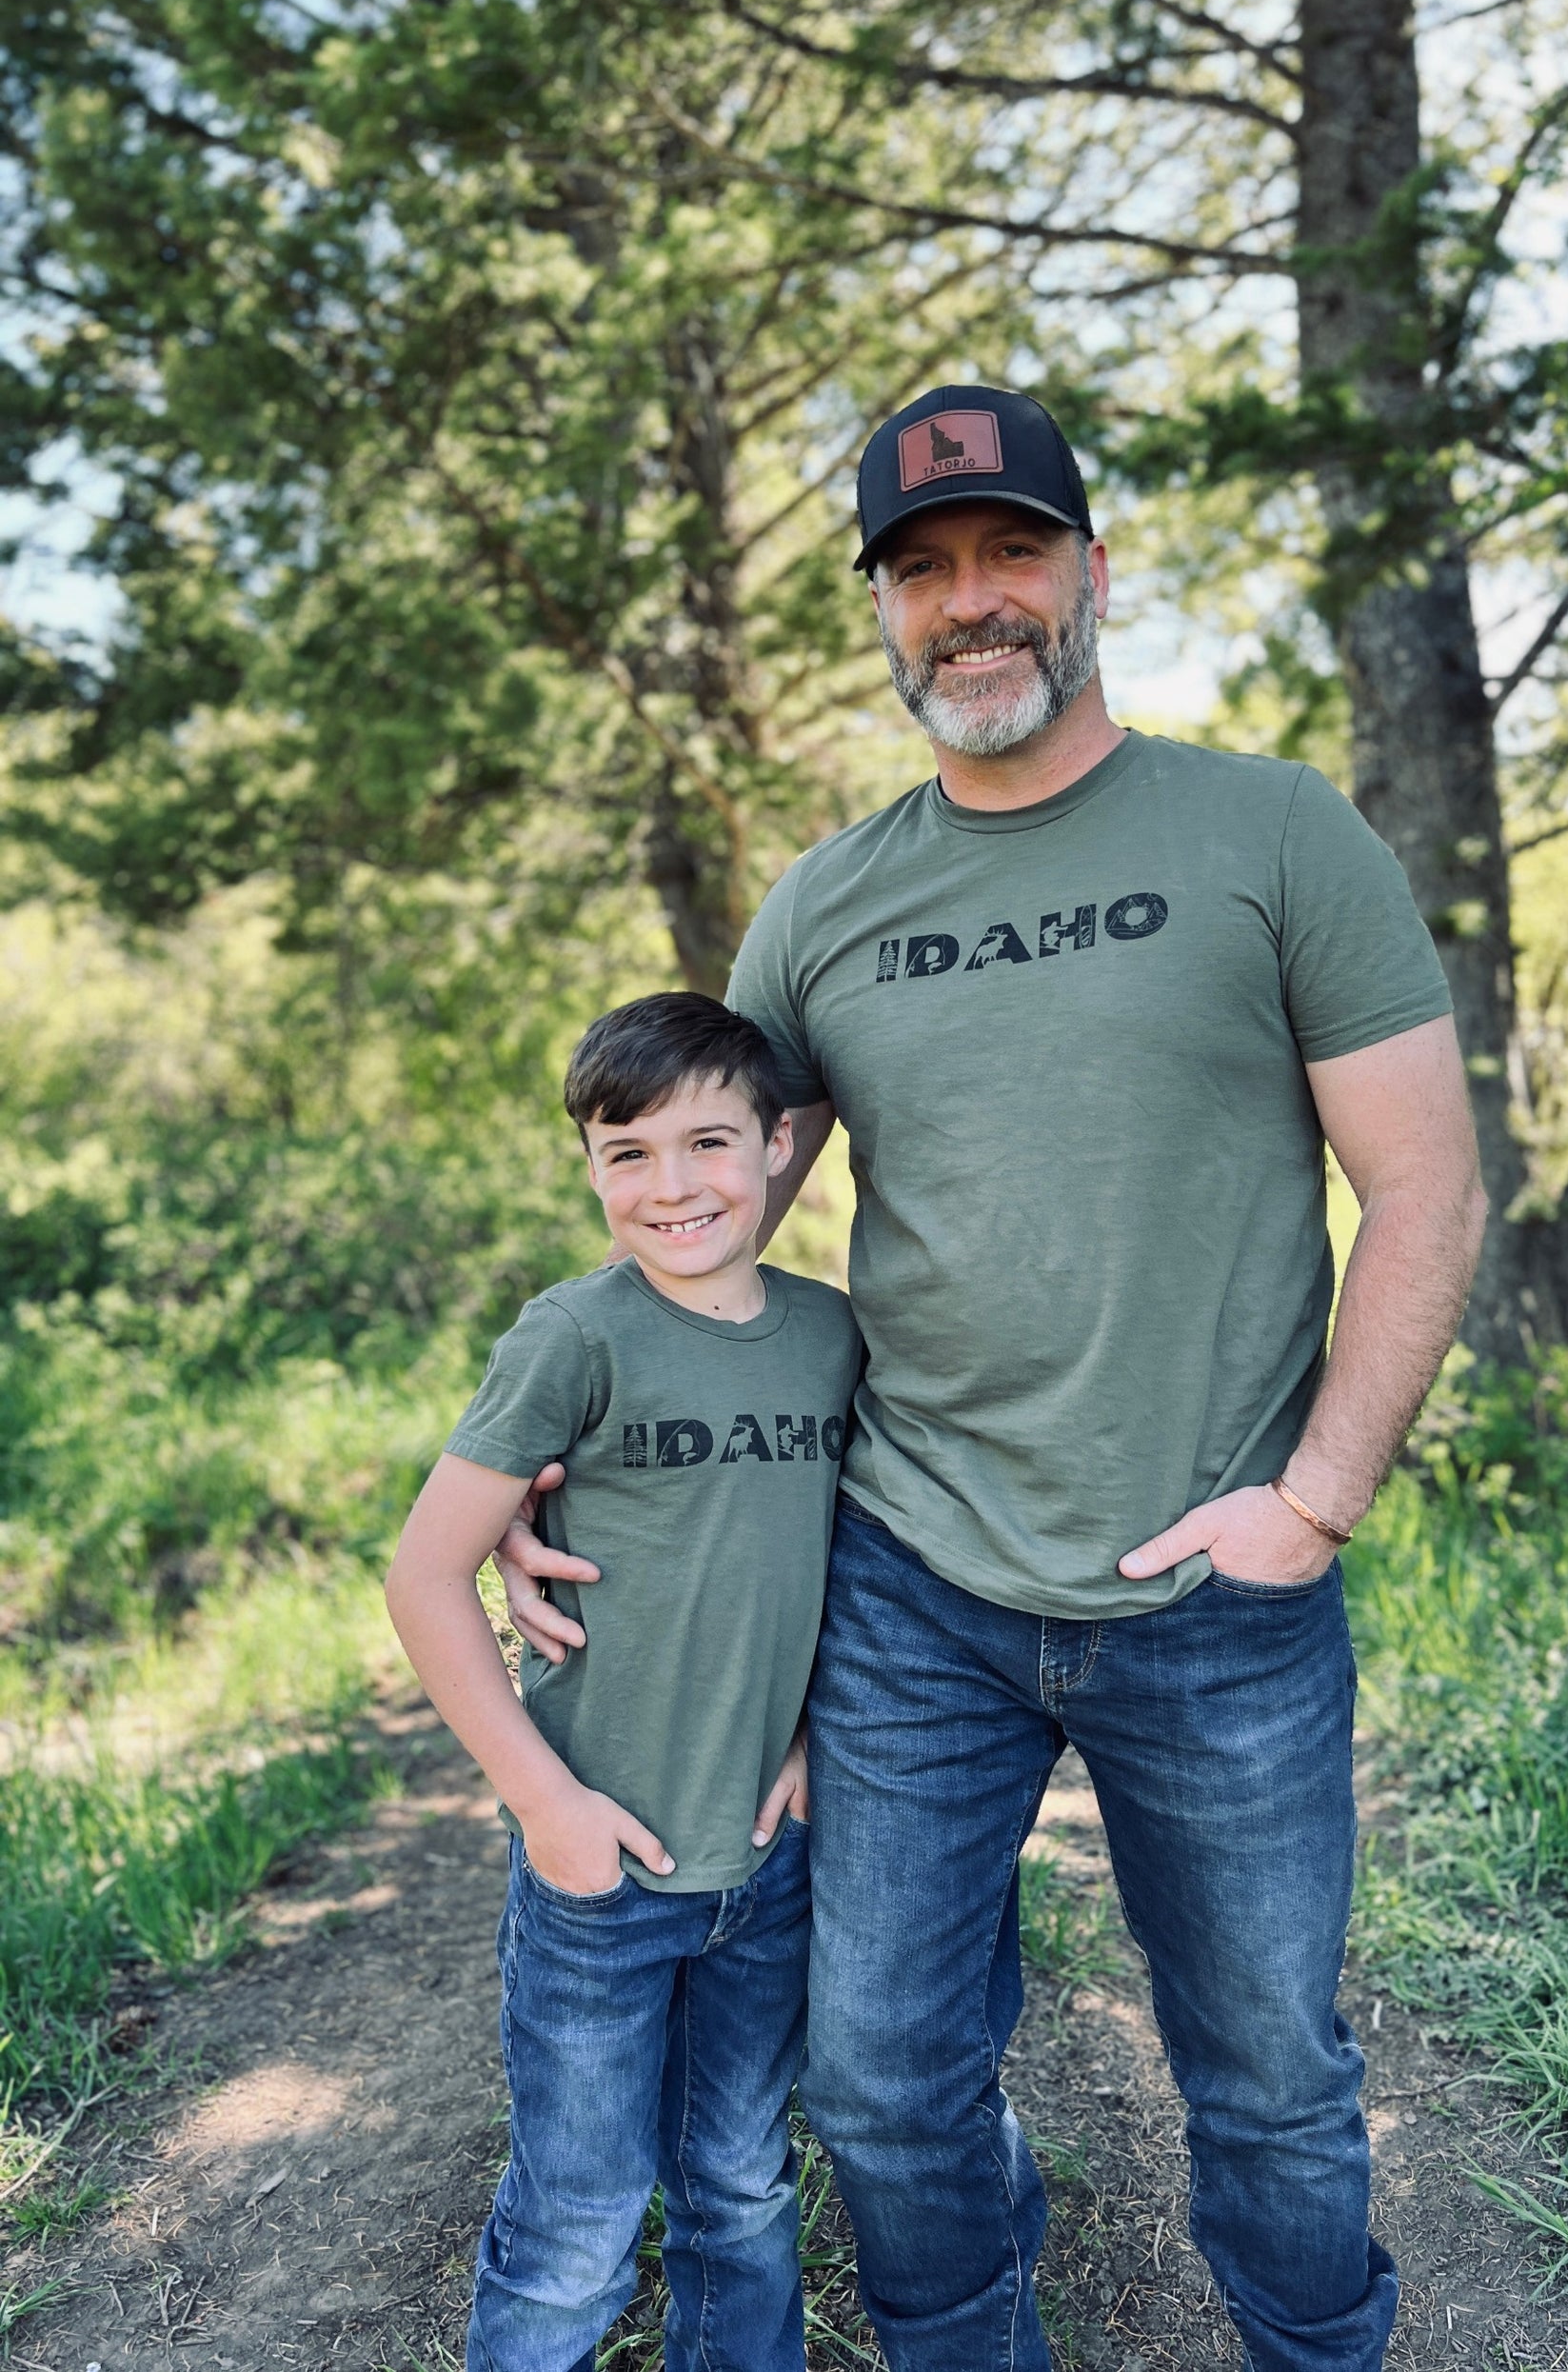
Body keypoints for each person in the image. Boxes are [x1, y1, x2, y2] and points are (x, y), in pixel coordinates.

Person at [497, 386, 1488, 2372]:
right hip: (913, 1586)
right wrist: (544, 1460)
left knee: (1272, 2077)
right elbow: (693, 1208)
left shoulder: (1269, 829)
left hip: (1216, 1591)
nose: (973, 603)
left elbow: (1427, 1184)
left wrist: (1313, 1499)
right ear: (885, 614)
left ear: (1090, 572)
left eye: (1010, 553)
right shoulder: (824, 904)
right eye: (923, 569)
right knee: (876, 2078)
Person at [386, 993, 861, 2372]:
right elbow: (426, 1578)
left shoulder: (833, 1337)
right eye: (625, 1151)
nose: (670, 1185)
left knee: (741, 2184)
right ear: (589, 1166)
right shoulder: (575, 1334)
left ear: (781, 1144)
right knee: (579, 2214)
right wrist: (549, 1810)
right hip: (602, 1872)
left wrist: (814, 1741)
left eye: (708, 1140)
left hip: (765, 1861)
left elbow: (853, 1562)